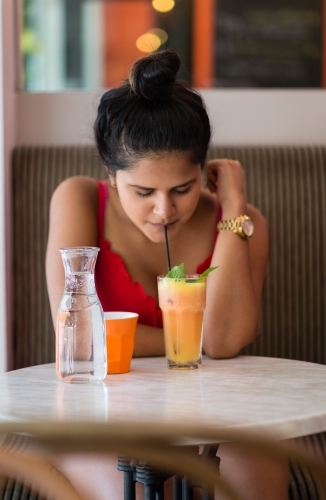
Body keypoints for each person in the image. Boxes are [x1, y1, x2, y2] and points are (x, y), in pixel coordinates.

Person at [46, 49, 289, 500]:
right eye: (143, 191)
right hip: (99, 417)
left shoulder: (242, 222)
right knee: (135, 491)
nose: (164, 210)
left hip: (214, 417)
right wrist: (188, 346)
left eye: (183, 188)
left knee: (255, 486)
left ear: (204, 172)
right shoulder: (78, 200)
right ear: (111, 176)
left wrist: (234, 208)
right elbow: (77, 339)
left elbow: (224, 340)